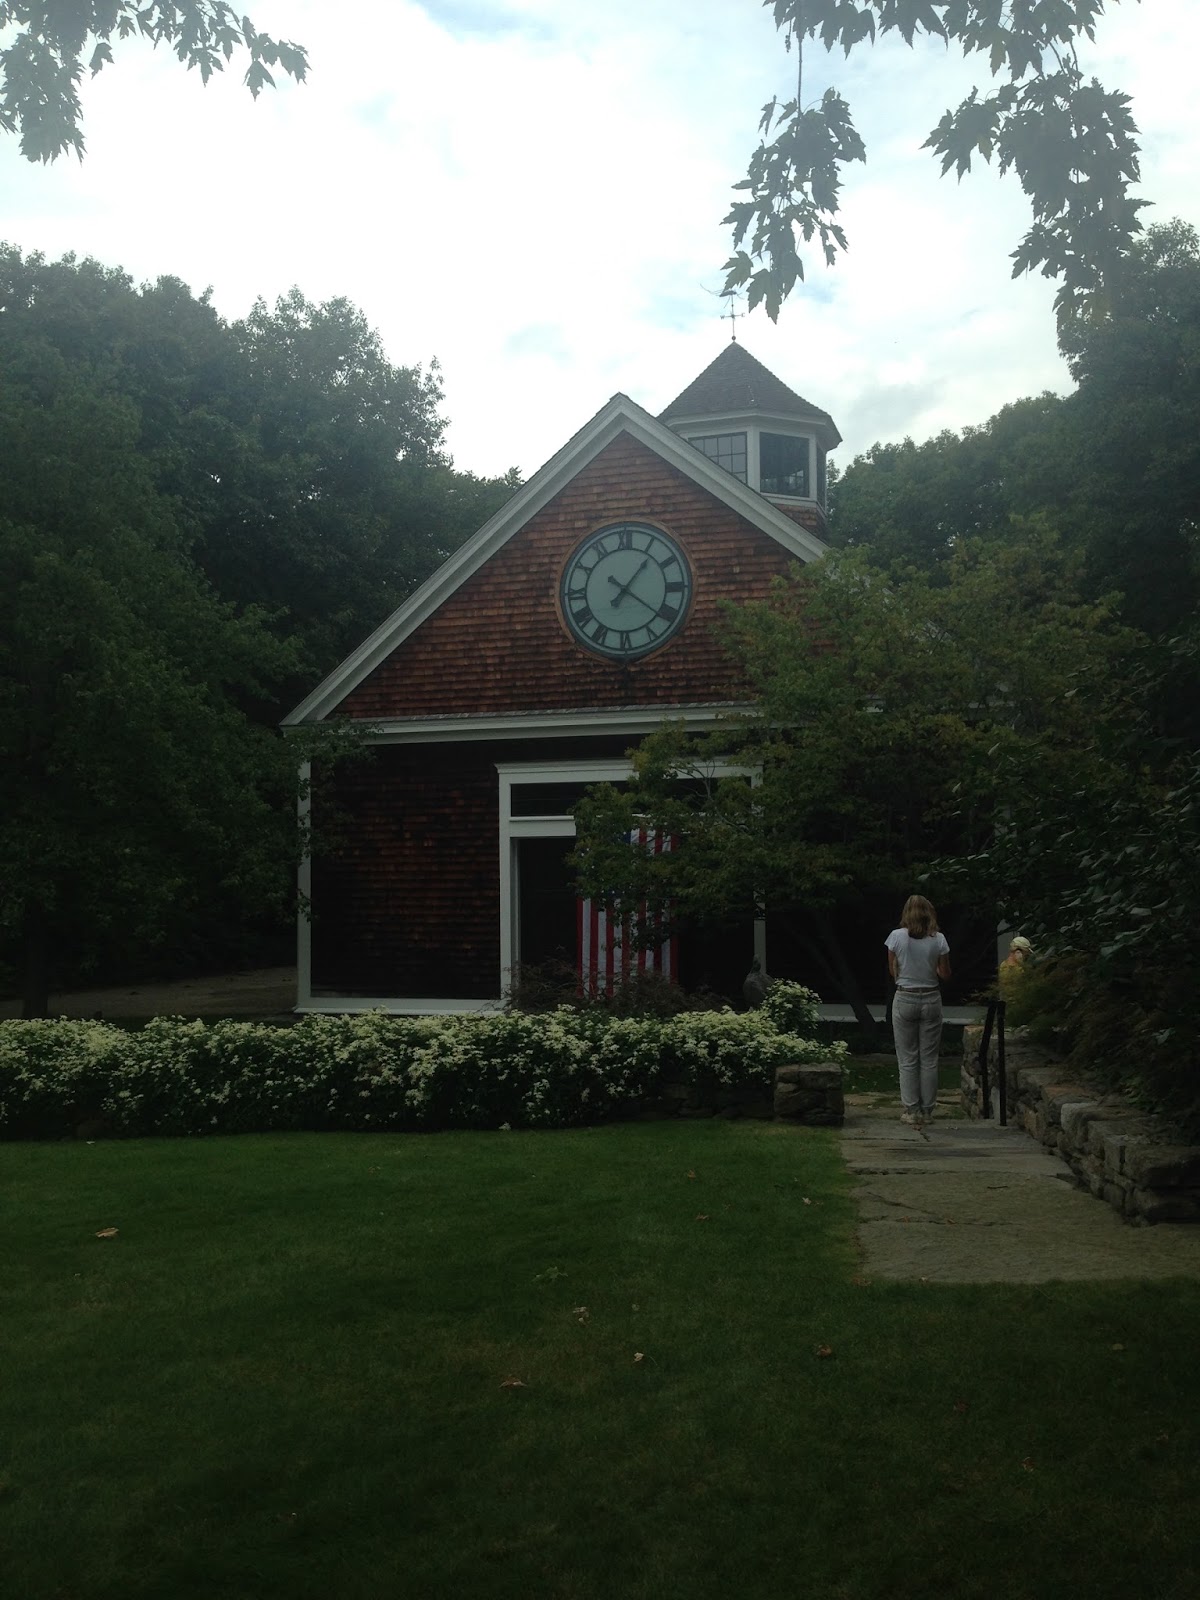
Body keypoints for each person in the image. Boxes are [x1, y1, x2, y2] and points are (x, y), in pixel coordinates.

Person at [885, 895, 951, 1129]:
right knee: (929, 1058)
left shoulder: (896, 936)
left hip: (905, 996)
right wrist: (931, 968)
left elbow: (893, 971)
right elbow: (945, 974)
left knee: (907, 1057)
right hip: (931, 997)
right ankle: (928, 1110)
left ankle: (911, 1110)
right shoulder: (939, 939)